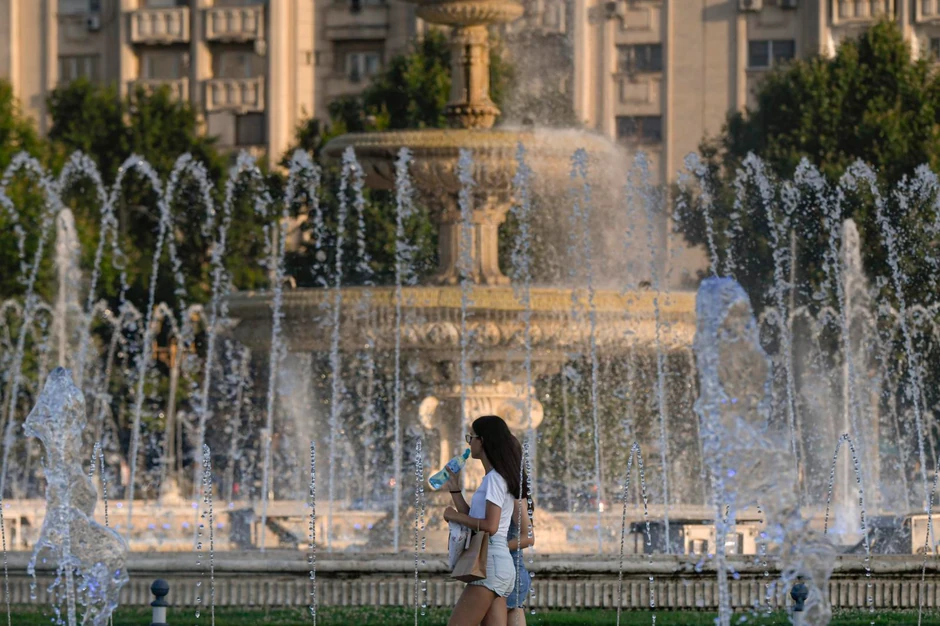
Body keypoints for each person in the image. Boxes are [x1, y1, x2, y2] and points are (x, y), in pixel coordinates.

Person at [442, 415, 529, 626]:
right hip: (498, 565)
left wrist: (454, 516)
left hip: (491, 563)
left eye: (470, 437)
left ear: (483, 440)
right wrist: (455, 490)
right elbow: (476, 519)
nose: (468, 442)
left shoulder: (494, 479)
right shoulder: (497, 477)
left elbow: (490, 526)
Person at [507, 495, 534, 626]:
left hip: (510, 574)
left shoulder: (514, 496)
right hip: (510, 573)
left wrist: (494, 549)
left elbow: (529, 538)